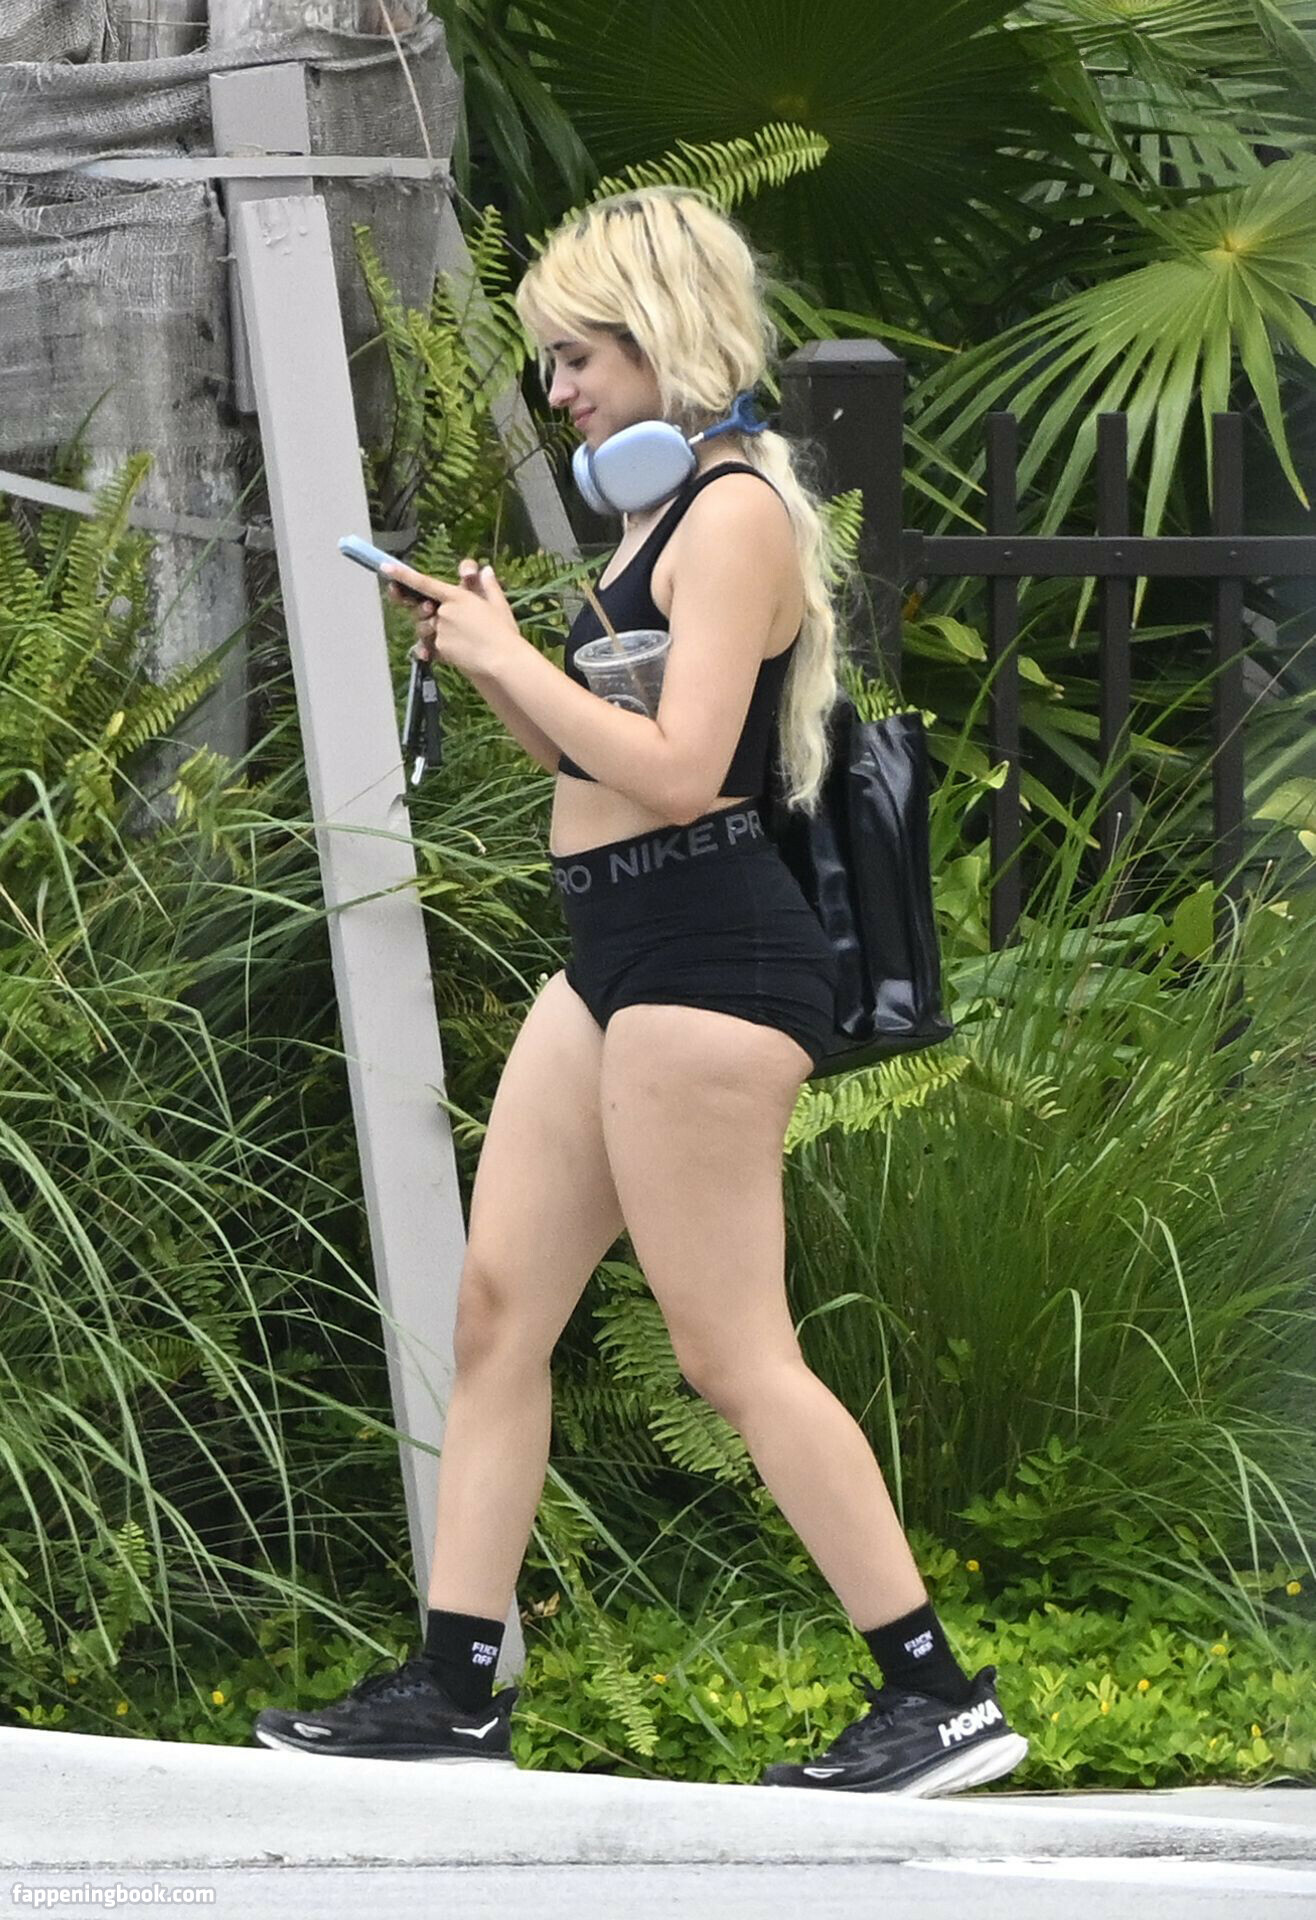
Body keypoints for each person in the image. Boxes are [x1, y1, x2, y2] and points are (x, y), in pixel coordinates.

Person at [253, 185, 1027, 1795]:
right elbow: (590, 761)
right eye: (549, 365)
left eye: (578, 359)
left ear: (664, 338)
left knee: (730, 1354)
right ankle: (458, 1684)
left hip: (708, 953)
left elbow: (680, 774)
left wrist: (516, 662)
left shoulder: (733, 514)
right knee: (497, 1313)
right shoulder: (654, 521)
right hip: (614, 947)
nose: (559, 396)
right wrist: (491, 654)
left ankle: (938, 1694)